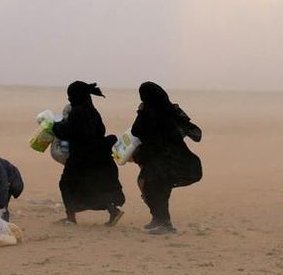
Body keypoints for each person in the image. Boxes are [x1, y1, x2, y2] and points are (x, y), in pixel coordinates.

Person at [131, 82, 202, 235]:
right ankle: (158, 219)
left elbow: (136, 131)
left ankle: (165, 223)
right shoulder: (169, 110)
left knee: (152, 187)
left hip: (162, 160)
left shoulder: (149, 112)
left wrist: (140, 112)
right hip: (173, 158)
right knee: (157, 188)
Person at [52, 81, 125, 226]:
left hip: (81, 158)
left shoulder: (77, 112)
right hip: (98, 156)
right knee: (94, 186)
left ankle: (71, 219)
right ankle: (113, 211)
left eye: (70, 96)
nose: (69, 99)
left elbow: (69, 132)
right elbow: (99, 131)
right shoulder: (93, 111)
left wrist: (54, 126)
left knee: (66, 184)